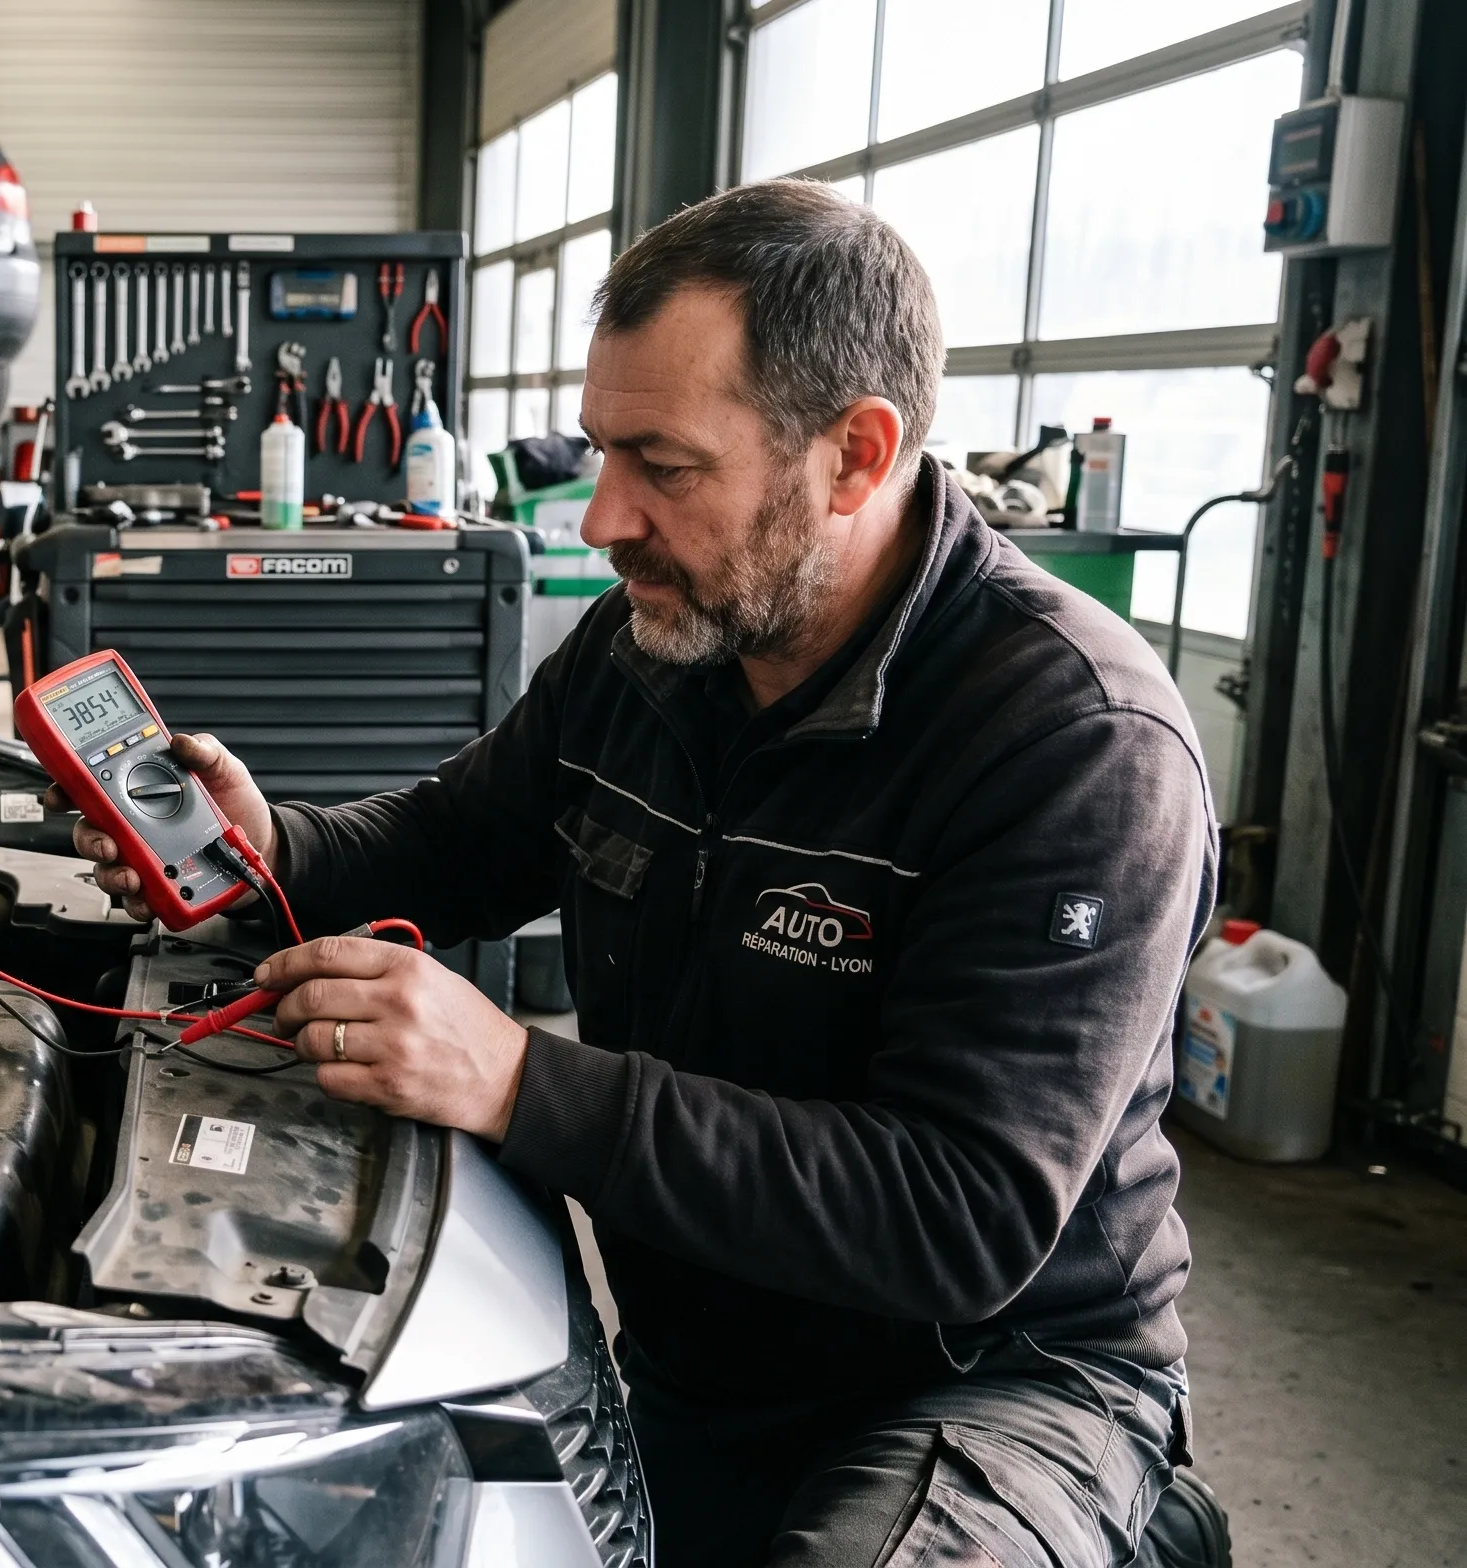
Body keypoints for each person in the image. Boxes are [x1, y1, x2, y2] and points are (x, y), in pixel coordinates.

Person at [65, 181, 1217, 1567]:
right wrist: (270, 848)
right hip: (708, 1355)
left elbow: (958, 1214)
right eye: (605, 450)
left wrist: (517, 1082)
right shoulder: (652, 647)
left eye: (662, 466)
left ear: (854, 456)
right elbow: (458, 844)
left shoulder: (1077, 742)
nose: (602, 519)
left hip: (994, 1388)